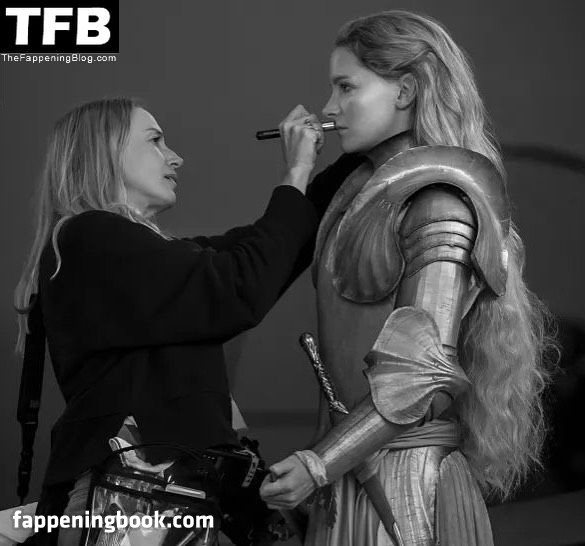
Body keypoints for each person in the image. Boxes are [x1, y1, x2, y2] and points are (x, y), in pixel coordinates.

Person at [260, 11, 554, 545]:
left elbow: (418, 380)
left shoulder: (439, 202)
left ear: (406, 90)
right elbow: (340, 384)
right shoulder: (356, 195)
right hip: (350, 477)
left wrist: (318, 464)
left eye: (346, 87)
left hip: (404, 488)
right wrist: (317, 472)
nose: (329, 108)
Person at [13, 97, 353, 544]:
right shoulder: (90, 235)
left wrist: (355, 158)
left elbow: (270, 250)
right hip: (135, 507)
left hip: (155, 503)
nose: (175, 157)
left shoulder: (121, 254)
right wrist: (296, 171)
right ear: (104, 152)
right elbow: (240, 285)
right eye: (155, 141)